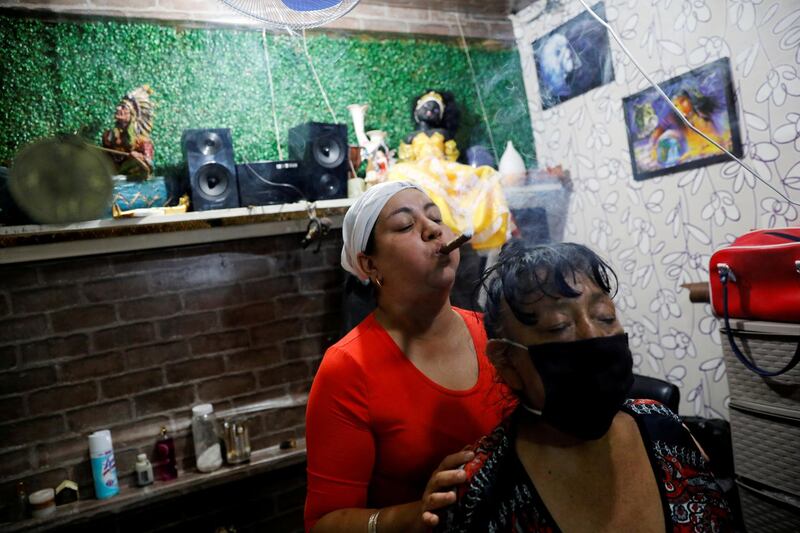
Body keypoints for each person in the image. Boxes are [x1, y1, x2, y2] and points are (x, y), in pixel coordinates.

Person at [437, 240, 732, 532]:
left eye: (605, 316)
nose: (593, 334)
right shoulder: (481, 489)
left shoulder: (663, 427)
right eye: (558, 325)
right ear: (507, 361)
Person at [304, 181, 511, 532]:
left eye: (435, 217)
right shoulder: (348, 368)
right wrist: (413, 515)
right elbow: (324, 524)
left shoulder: (497, 332)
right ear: (369, 265)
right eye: (405, 225)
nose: (432, 229)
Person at [387, 90, 510, 251]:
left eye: (436, 109)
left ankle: (459, 222)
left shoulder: (443, 133)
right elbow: (406, 157)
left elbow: (451, 155)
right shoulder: (411, 136)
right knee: (397, 170)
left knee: (484, 173)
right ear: (417, 111)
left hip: (442, 167)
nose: (431, 110)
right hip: (418, 168)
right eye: (427, 107)